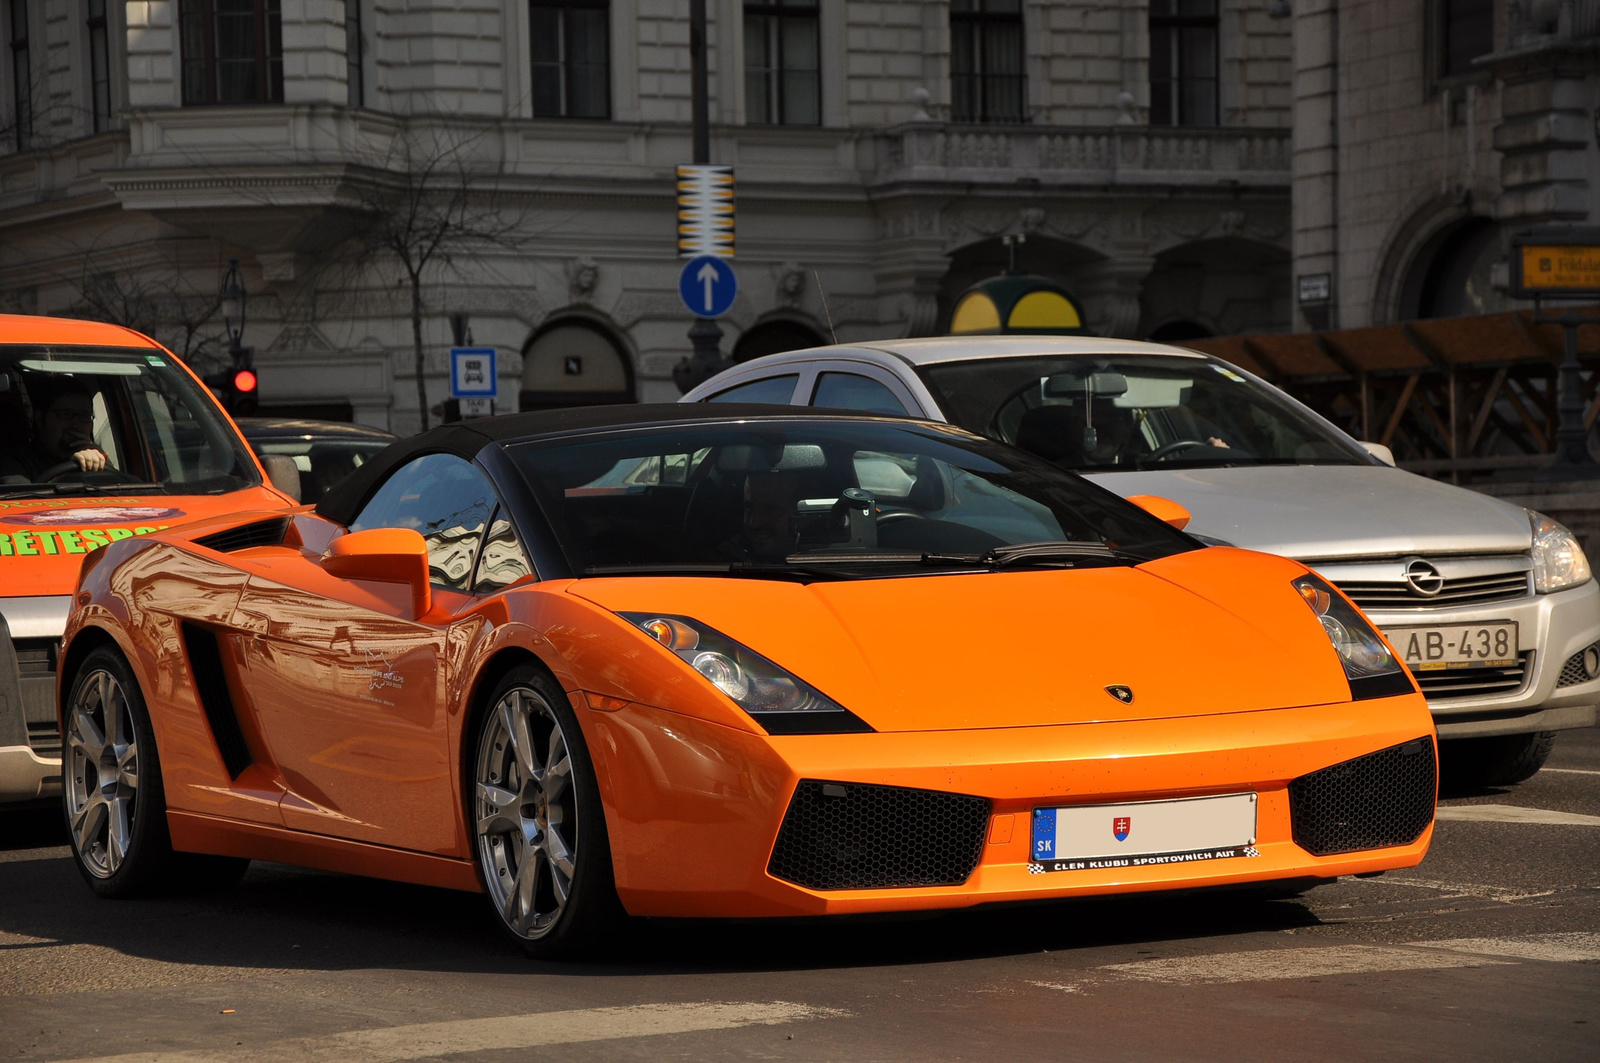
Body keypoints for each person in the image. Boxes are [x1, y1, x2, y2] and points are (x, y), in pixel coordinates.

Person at [0, 384, 110, 484]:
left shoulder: (97, 456)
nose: (75, 424)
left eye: (83, 416)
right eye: (65, 414)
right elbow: (21, 500)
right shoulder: (12, 461)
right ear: (39, 418)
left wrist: (101, 462)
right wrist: (72, 473)